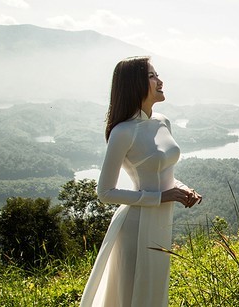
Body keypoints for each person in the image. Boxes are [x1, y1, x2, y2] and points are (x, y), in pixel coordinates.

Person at [80, 56, 202, 307]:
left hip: (160, 222)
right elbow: (104, 192)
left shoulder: (163, 121)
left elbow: (162, 174)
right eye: (151, 76)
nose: (160, 81)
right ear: (134, 83)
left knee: (155, 291)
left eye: (157, 74)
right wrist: (160, 197)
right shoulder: (123, 131)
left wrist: (181, 189)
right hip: (135, 227)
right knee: (132, 296)